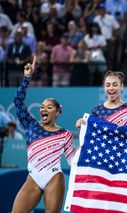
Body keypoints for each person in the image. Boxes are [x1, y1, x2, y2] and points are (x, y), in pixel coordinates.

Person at [12, 57, 76, 212]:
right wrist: (27, 77)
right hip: (33, 178)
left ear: (57, 112)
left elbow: (73, 160)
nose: (43, 109)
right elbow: (18, 102)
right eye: (42, 107)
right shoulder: (31, 126)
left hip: (54, 177)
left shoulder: (65, 134)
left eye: (49, 107)